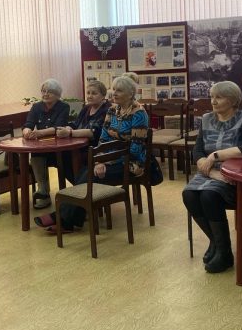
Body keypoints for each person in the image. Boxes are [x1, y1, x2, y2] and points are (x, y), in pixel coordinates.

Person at [36, 76, 148, 233]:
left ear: (130, 94)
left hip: (131, 163)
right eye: (114, 90)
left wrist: (106, 162)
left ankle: (64, 218)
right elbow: (103, 139)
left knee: (89, 175)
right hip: (110, 159)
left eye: (119, 91)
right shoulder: (112, 110)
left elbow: (135, 149)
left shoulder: (139, 113)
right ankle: (69, 218)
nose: (114, 93)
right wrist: (99, 161)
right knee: (84, 172)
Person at [182, 81, 242, 273]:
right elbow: (197, 151)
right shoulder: (207, 118)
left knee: (209, 196)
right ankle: (219, 245)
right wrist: (211, 171)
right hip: (211, 172)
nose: (213, 101)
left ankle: (222, 251)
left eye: (219, 97)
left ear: (232, 100)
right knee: (189, 194)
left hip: (235, 172)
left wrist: (215, 156)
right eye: (212, 97)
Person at [23, 79, 70, 209]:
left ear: (57, 94)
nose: (45, 94)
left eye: (50, 92)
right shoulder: (36, 107)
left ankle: (73, 195)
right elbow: (28, 124)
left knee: (65, 162)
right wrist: (27, 131)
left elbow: (58, 127)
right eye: (43, 91)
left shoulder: (64, 107)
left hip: (59, 148)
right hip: (41, 147)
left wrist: (39, 133)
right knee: (35, 155)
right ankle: (43, 192)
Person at [54, 80, 110, 184]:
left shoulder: (107, 109)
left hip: (96, 148)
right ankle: (78, 186)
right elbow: (75, 124)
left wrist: (70, 133)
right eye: (88, 93)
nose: (90, 96)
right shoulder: (87, 107)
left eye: (94, 93)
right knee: (59, 157)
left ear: (103, 95)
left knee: (68, 156)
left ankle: (80, 186)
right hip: (80, 146)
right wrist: (68, 128)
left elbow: (94, 132)